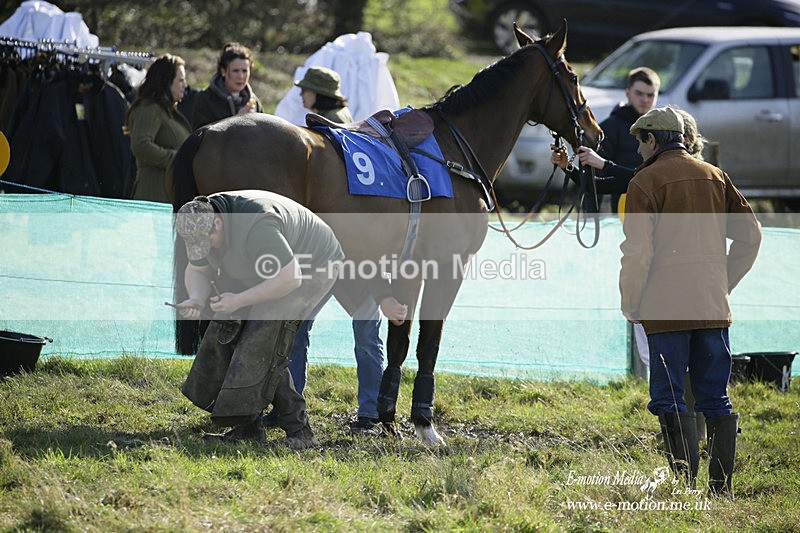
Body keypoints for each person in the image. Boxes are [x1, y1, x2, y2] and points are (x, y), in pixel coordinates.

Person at [619, 107, 762, 496]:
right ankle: (721, 489)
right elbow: (751, 236)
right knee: (715, 395)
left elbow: (638, 253)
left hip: (664, 309)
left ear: (652, 139)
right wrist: (723, 282)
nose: (636, 149)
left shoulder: (645, 182)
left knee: (669, 396)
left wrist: (630, 300)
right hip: (712, 306)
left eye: (639, 141)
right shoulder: (716, 176)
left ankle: (684, 484)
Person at [265, 65, 405, 436]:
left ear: (317, 96)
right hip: (351, 254)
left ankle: (290, 408)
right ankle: (369, 415)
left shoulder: (324, 136)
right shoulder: (347, 131)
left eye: (306, 91)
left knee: (300, 330)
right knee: (365, 333)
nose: (300, 96)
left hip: (335, 253)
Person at [174, 190, 345, 450]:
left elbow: (291, 278)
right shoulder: (199, 222)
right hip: (266, 266)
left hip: (312, 266)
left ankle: (301, 432)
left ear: (218, 223)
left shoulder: (257, 225)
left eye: (209, 242)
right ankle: (248, 427)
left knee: (264, 342)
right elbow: (198, 268)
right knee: (230, 329)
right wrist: (196, 299)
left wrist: (239, 300)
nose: (206, 250)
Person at [551, 66, 661, 213]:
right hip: (622, 209)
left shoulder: (662, 129)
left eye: (650, 95)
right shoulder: (610, 127)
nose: (645, 99)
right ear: (628, 93)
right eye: (639, 93)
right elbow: (595, 181)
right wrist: (592, 220)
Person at [126, 54, 192, 202]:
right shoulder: (149, 109)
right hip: (153, 197)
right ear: (166, 82)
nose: (185, 85)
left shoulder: (166, 111)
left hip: (168, 195)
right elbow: (141, 145)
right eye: (180, 80)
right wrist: (176, 159)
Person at [191, 42, 263, 130]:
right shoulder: (205, 99)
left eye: (244, 71)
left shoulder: (254, 101)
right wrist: (237, 120)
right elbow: (201, 137)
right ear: (223, 71)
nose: (240, 76)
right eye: (235, 71)